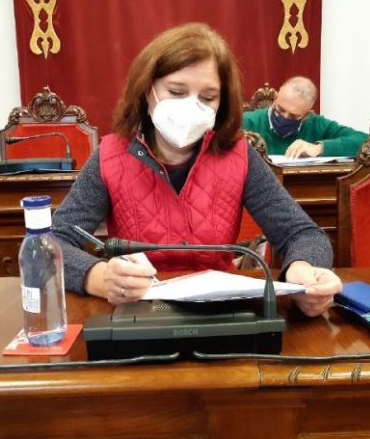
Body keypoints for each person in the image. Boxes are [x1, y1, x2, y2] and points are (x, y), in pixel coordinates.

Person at [51, 23, 342, 317]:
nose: (191, 107)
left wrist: (303, 271)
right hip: (143, 312)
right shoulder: (111, 155)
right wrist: (100, 278)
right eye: (176, 91)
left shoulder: (239, 154)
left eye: (208, 97)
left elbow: (304, 234)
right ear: (147, 90)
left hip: (220, 315)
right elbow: (52, 242)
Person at [243, 77, 368, 158]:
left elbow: (366, 142)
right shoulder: (247, 122)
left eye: (293, 116)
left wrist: (319, 148)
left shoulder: (317, 125)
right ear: (276, 98)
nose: (284, 117)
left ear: (306, 115)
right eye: (280, 109)